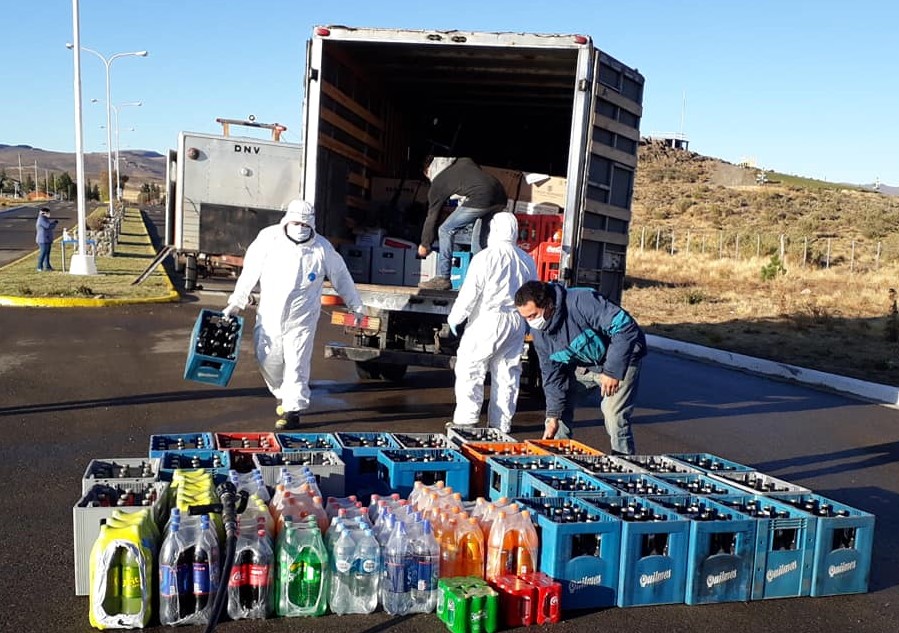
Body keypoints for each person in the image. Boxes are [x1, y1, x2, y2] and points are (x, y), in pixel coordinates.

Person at [223, 200, 364, 429]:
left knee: (297, 364)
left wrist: (355, 305)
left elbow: (342, 277)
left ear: (312, 225)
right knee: (267, 360)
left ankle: (292, 410)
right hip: (270, 315)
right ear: (287, 221)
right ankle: (283, 393)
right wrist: (236, 303)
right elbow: (250, 272)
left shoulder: (321, 249)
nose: (300, 228)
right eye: (296, 223)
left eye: (305, 225)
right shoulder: (269, 239)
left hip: (302, 319)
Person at [514, 280, 647, 455]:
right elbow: (552, 376)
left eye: (532, 315)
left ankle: (623, 459)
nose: (530, 322)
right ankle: (558, 456)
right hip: (585, 364)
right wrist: (552, 415)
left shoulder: (581, 301)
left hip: (622, 359)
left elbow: (625, 327)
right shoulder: (540, 334)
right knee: (559, 410)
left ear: (548, 304)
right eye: (525, 318)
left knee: (613, 414)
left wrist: (612, 370)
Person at [446, 213, 538, 432]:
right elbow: (534, 292)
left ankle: (466, 420)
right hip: (515, 321)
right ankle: (501, 424)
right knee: (507, 374)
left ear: (493, 230)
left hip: (487, 320)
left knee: (471, 368)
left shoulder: (485, 258)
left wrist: (455, 319)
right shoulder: (526, 259)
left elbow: (470, 294)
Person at [417, 156, 509, 291]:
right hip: (500, 194)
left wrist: (425, 244)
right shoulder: (464, 162)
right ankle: (480, 282)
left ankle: (443, 278)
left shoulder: (438, 183)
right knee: (478, 241)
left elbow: (432, 217)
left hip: (481, 197)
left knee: (445, 230)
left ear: (427, 171)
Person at [35, 207, 59, 272]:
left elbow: (50, 226)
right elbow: (48, 226)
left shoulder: (45, 219)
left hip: (47, 239)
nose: (49, 214)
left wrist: (53, 223)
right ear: (44, 213)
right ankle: (39, 267)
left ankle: (48, 267)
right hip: (42, 240)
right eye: (48, 213)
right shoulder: (41, 219)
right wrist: (54, 223)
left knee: (47, 254)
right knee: (43, 253)